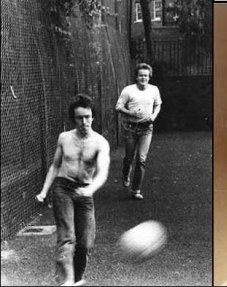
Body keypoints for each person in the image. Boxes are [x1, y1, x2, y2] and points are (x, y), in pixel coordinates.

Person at [35, 94, 110, 286]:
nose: (84, 122)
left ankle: (75, 279)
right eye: (79, 117)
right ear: (73, 118)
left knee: (85, 244)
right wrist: (44, 191)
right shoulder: (64, 138)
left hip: (85, 191)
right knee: (67, 238)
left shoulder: (100, 142)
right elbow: (54, 166)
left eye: (87, 116)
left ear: (93, 117)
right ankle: (66, 281)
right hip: (63, 188)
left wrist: (90, 189)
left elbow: (102, 173)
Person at [115, 63, 162, 199]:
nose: (143, 78)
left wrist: (153, 116)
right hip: (130, 128)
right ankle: (125, 173)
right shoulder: (128, 90)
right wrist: (130, 112)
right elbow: (118, 106)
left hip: (147, 129)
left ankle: (136, 190)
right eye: (141, 75)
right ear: (136, 77)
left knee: (141, 159)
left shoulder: (154, 90)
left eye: (146, 76)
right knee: (129, 157)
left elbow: (158, 104)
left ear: (149, 76)